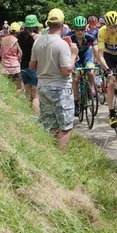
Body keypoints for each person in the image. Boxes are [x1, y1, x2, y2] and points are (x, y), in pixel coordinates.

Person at [30, 9, 75, 151]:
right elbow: (66, 70)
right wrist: (73, 54)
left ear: (48, 23)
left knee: (51, 124)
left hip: (43, 87)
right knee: (65, 126)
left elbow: (32, 66)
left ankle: (51, 154)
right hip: (60, 88)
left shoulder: (38, 42)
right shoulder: (62, 44)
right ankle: (61, 157)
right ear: (62, 25)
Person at [70, 15, 97, 114]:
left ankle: (90, 88)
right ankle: (76, 102)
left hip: (86, 55)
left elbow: (96, 51)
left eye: (82, 29)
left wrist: (98, 61)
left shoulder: (90, 36)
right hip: (75, 57)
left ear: (85, 28)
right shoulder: (69, 37)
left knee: (90, 72)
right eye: (77, 30)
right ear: (74, 29)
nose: (80, 32)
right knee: (75, 79)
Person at [18, 15, 41, 116]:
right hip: (34, 68)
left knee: (28, 95)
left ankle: (28, 116)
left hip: (23, 67)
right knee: (35, 96)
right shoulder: (36, 38)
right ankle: (36, 119)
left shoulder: (20, 36)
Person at [0, 22, 23, 91]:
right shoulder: (15, 40)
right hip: (15, 66)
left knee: (7, 86)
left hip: (5, 66)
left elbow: (0, 53)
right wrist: (18, 60)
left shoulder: (3, 39)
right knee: (20, 87)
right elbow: (20, 53)